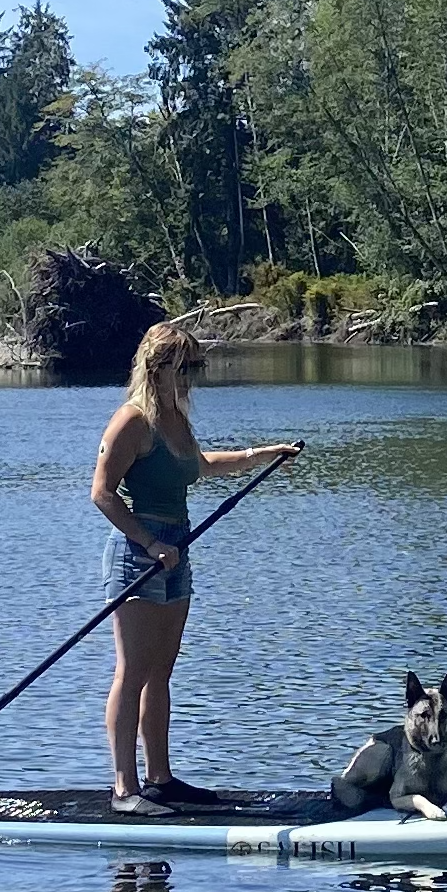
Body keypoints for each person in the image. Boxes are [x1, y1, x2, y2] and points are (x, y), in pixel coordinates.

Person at [91, 321, 298, 816]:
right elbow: (102, 493)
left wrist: (261, 455)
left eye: (196, 368)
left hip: (178, 552)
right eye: (187, 368)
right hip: (137, 556)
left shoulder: (175, 420)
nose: (193, 378)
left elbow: (201, 466)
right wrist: (148, 541)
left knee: (162, 671)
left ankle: (160, 779)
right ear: (158, 367)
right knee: (134, 670)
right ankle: (125, 789)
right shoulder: (132, 421)